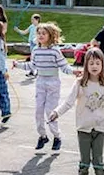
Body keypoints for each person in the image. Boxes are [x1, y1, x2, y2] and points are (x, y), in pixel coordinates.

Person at [13, 23, 72, 151]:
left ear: (50, 36)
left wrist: (74, 72)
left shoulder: (55, 51)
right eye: (39, 33)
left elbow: (64, 66)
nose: (40, 35)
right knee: (38, 111)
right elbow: (32, 66)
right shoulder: (36, 50)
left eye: (43, 33)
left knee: (50, 112)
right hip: (40, 82)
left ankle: (57, 137)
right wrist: (18, 65)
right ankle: (42, 136)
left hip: (53, 83)